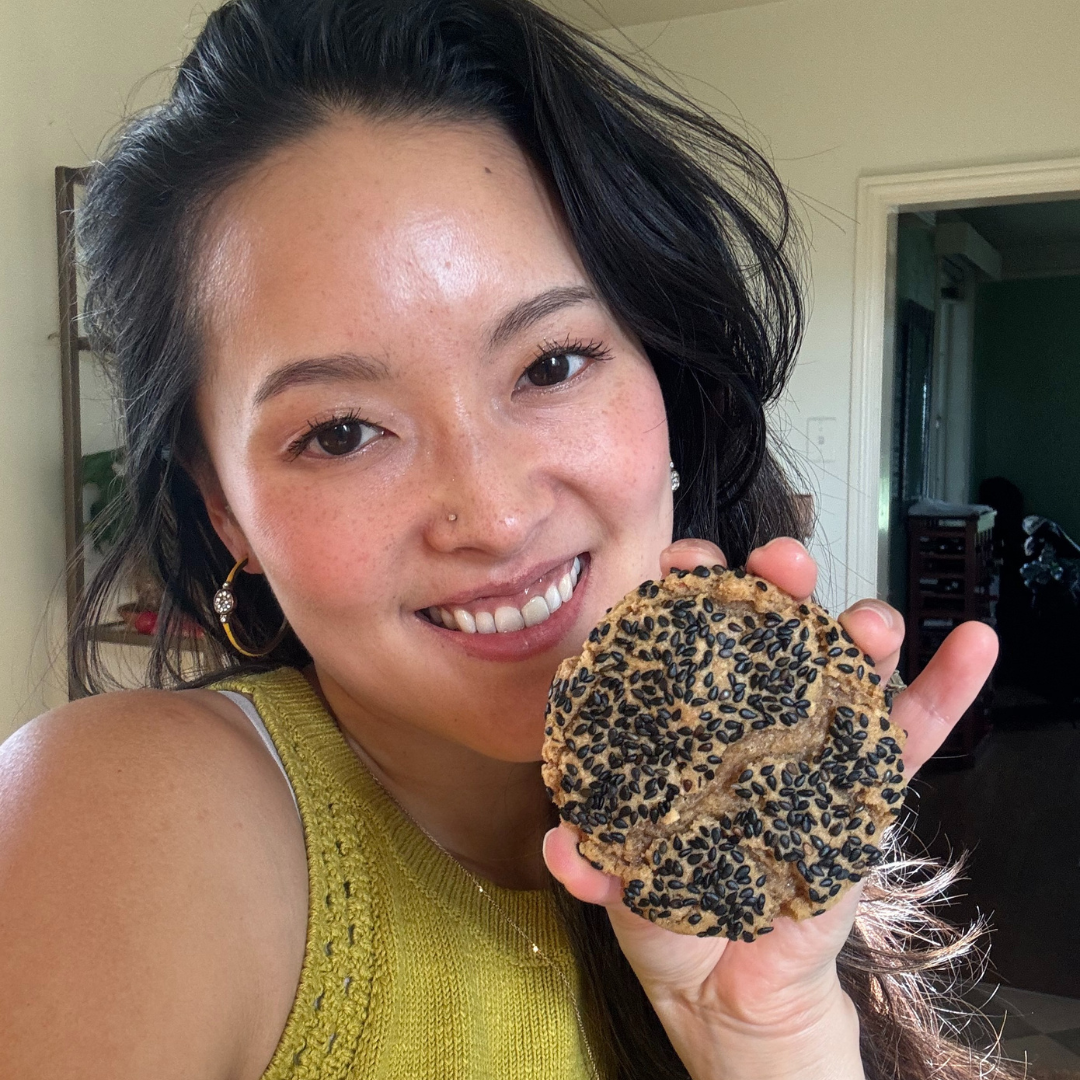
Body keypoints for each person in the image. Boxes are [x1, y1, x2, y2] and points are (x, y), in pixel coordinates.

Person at [0, 1, 1019, 1077]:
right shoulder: (126, 824)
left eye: (552, 364)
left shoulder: (754, 833)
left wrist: (769, 1031)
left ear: (661, 370)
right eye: (342, 432)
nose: (492, 516)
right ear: (223, 510)